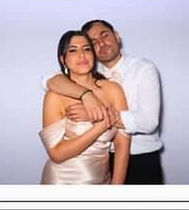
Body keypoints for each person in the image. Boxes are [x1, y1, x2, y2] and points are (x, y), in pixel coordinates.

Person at [45, 20, 164, 183]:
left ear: (117, 36)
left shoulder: (142, 69)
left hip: (141, 158)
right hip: (74, 174)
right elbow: (48, 80)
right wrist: (86, 95)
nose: (100, 43)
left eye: (105, 35)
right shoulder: (75, 78)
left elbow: (149, 121)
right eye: (93, 42)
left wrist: (98, 114)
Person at [39, 30, 131, 184]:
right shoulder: (54, 95)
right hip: (62, 181)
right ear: (63, 59)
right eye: (73, 50)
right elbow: (56, 154)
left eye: (87, 49)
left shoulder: (113, 89)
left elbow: (122, 144)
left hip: (103, 179)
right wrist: (102, 125)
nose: (82, 55)